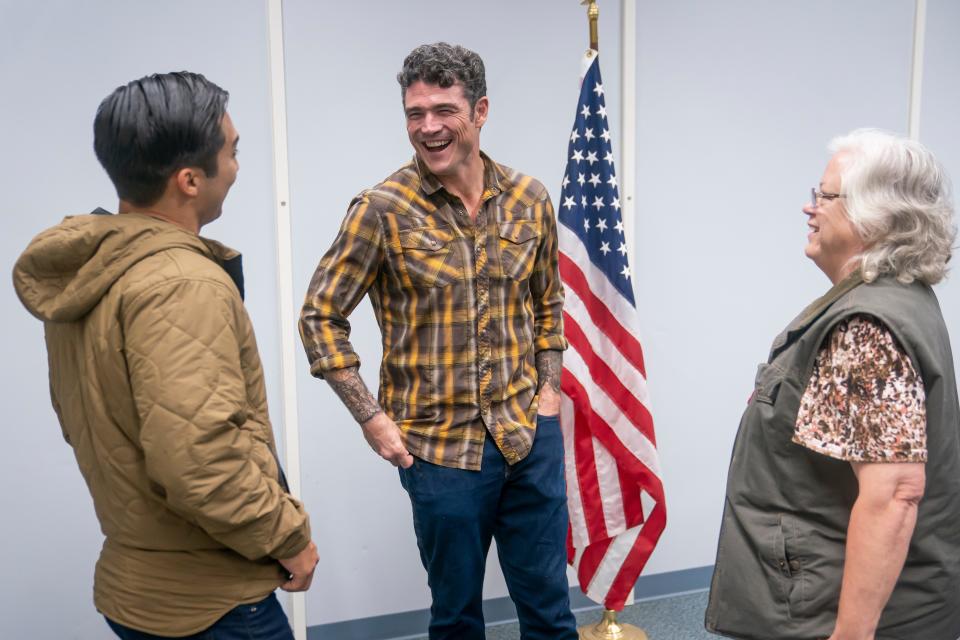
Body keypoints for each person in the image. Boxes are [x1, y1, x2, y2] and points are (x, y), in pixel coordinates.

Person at [13, 72, 318, 640]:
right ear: (188, 180)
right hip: (211, 603)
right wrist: (288, 538)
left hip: (139, 588)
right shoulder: (180, 284)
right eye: (231, 152)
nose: (236, 166)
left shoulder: (99, 270)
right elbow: (201, 460)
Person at [299, 42, 578, 639]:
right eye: (414, 113)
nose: (428, 128)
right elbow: (320, 316)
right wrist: (371, 418)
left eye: (443, 110)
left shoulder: (530, 199)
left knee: (551, 613)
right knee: (456, 620)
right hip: (439, 454)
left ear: (480, 111)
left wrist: (549, 397)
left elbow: (548, 305)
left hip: (528, 439)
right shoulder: (381, 209)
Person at [705, 129, 960, 639]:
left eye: (825, 195)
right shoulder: (890, 298)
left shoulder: (869, 325)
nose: (809, 207)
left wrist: (851, 634)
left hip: (832, 612)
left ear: (876, 216)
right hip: (821, 586)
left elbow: (894, 496)